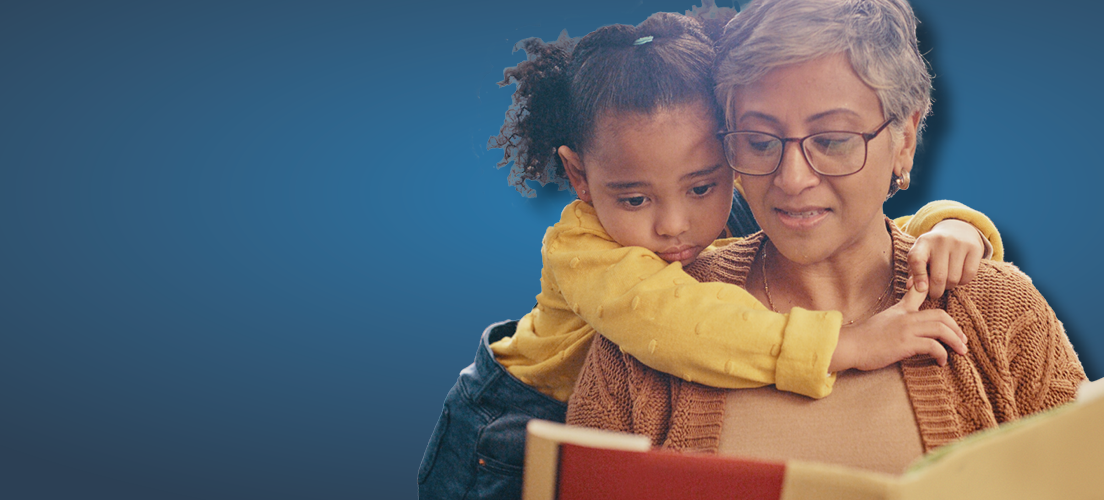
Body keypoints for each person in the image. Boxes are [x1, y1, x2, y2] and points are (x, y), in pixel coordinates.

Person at [419, 10, 1008, 500]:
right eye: (634, 197)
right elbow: (682, 327)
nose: (675, 223)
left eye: (702, 185)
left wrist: (952, 226)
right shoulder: (583, 251)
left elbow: (849, 222)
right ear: (579, 176)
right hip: (505, 436)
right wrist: (840, 345)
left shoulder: (733, 196)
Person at [565, 0, 1089, 474]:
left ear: (904, 140)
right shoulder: (647, 334)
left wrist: (957, 222)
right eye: (759, 140)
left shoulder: (997, 306)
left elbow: (1092, 478)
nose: (791, 180)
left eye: (833, 140)